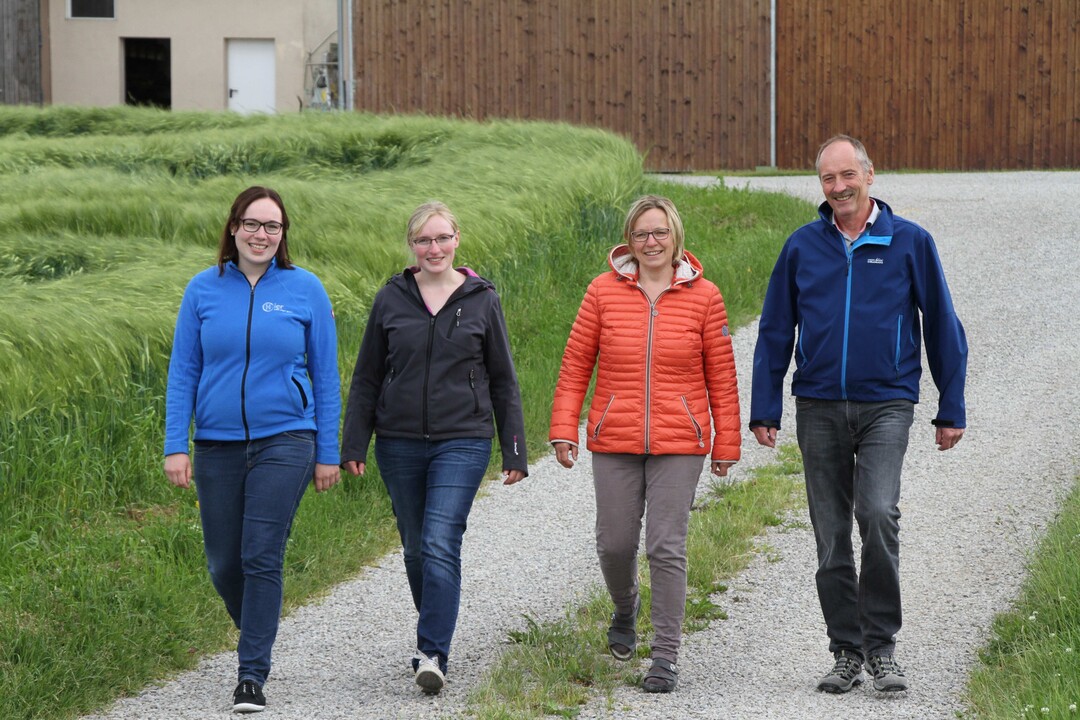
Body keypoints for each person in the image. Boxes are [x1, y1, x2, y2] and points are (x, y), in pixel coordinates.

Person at [749, 135, 967, 694]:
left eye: (848, 175)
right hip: (818, 404)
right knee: (830, 534)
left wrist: (952, 406)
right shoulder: (802, 246)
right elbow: (775, 328)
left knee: (877, 513)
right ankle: (846, 650)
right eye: (828, 178)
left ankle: (882, 648)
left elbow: (943, 324)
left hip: (886, 402)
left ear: (870, 175)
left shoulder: (909, 241)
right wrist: (765, 407)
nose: (839, 186)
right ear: (820, 185)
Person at [549, 194, 741, 694]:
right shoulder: (602, 291)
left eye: (660, 232)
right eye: (641, 234)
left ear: (676, 236)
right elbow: (576, 365)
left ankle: (665, 656)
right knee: (614, 543)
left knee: (665, 545)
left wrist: (726, 443)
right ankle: (624, 606)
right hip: (614, 436)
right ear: (629, 241)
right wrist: (564, 428)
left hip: (681, 440)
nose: (651, 242)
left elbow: (722, 377)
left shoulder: (706, 296)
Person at [164, 186, 342, 714]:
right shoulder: (202, 289)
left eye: (272, 226)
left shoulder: (305, 289)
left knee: (260, 554)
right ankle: (259, 629)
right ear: (234, 227)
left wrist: (328, 451)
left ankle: (251, 674)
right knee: (224, 565)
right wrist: (176, 445)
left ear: (283, 234)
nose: (261, 235)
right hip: (215, 444)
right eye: (252, 224)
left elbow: (326, 377)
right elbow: (183, 372)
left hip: (287, 438)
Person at [340, 200, 528, 695]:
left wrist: (513, 450)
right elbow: (367, 377)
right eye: (424, 240)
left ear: (457, 240)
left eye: (443, 237)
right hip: (398, 442)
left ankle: (432, 652)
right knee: (415, 547)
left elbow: (504, 380)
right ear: (411, 245)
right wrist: (354, 442)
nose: (434, 248)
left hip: (463, 439)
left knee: (441, 539)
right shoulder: (390, 299)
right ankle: (436, 632)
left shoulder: (482, 299)